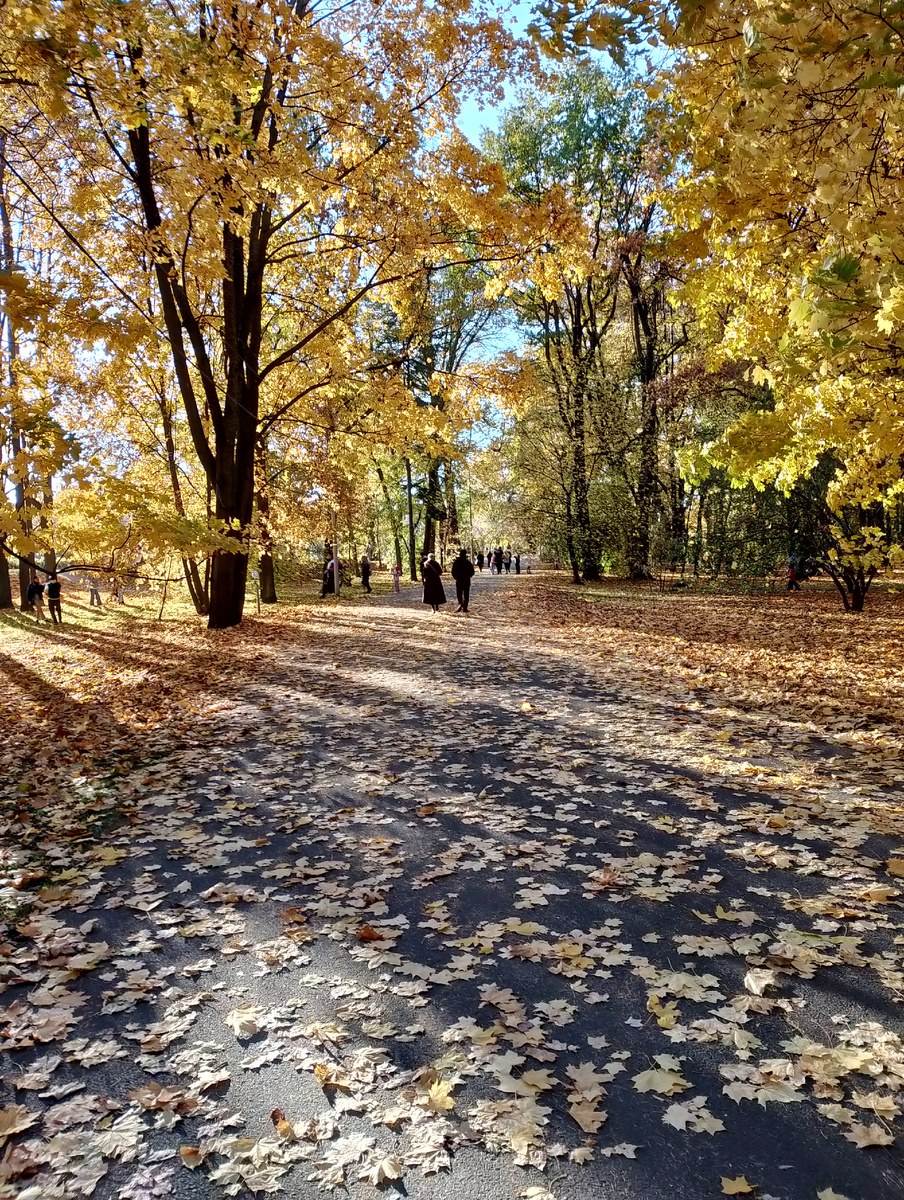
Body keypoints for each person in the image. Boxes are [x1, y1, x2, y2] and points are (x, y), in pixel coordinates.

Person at [450, 547, 475, 614]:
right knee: (466, 594)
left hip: (459, 580)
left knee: (459, 593)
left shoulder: (456, 562)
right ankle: (465, 607)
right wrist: (468, 576)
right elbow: (472, 572)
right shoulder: (468, 563)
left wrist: (456, 577)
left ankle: (460, 603)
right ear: (465, 554)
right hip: (466, 580)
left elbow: (452, 571)